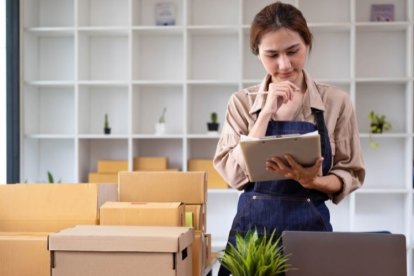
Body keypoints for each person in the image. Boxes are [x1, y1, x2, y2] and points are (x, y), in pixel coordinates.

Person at [213, 2, 365, 275]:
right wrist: (265, 114)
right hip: (253, 239)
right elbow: (234, 176)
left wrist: (313, 181)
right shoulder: (240, 103)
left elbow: (350, 172)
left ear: (307, 43)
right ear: (257, 54)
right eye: (272, 55)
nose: (284, 65)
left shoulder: (335, 102)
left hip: (311, 236)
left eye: (293, 51)